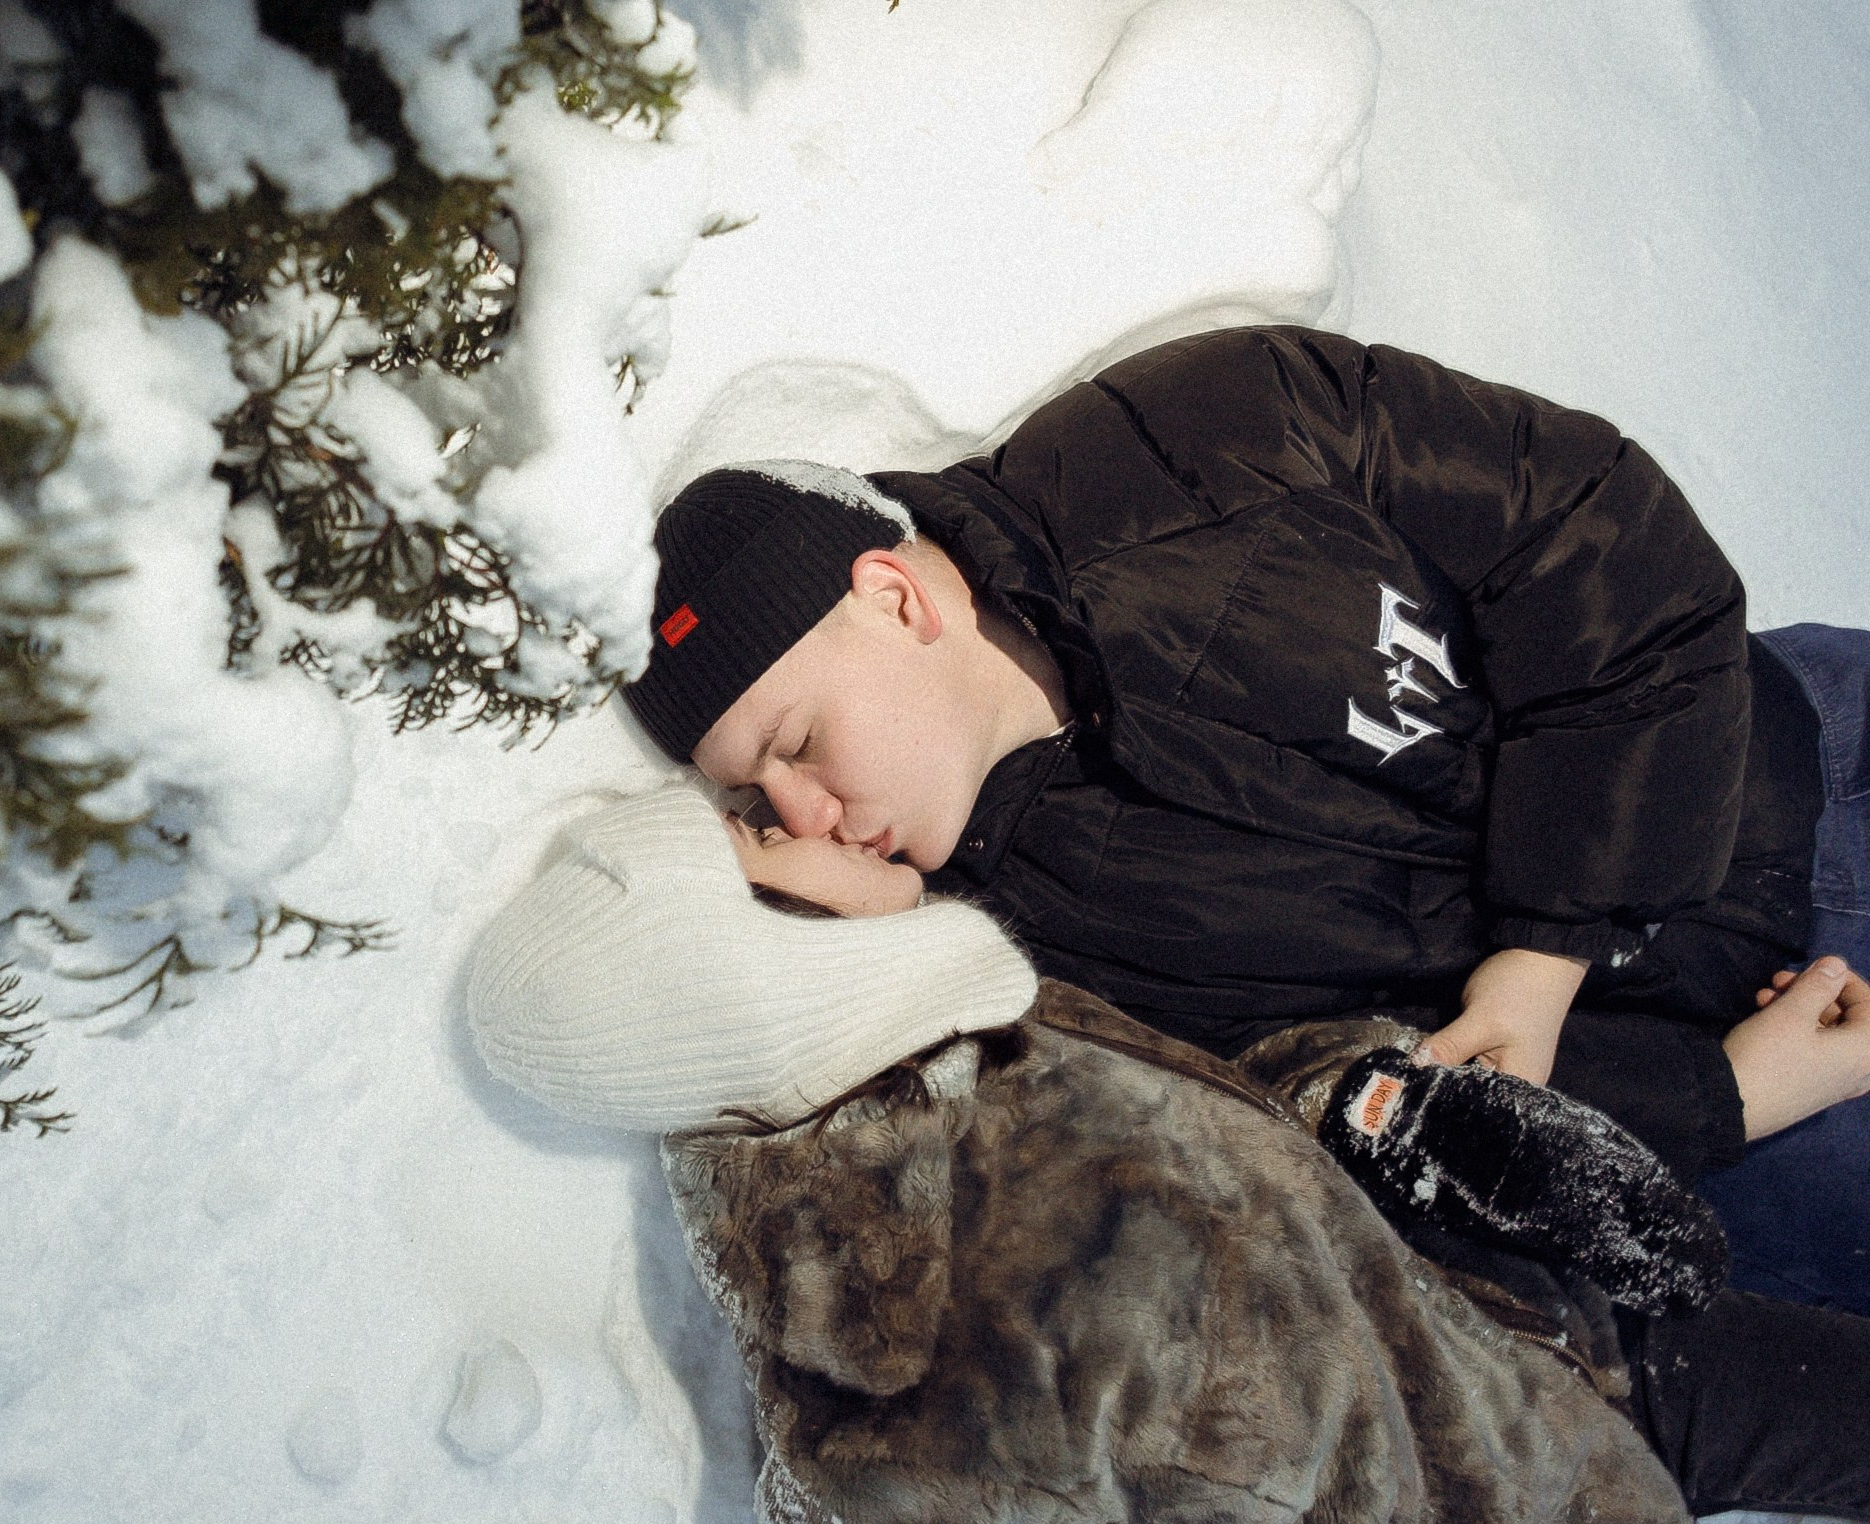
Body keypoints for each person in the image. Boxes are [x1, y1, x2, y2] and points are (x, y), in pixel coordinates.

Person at [618, 325, 1870, 1313]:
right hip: (1738, 1100)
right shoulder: (1022, 959)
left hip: (1799, 758)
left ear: (893, 599)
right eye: (756, 798)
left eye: (796, 745)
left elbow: (1594, 532)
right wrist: (1718, 1099)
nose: (806, 813)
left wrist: (1548, 953)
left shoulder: (1196, 437)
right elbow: (1329, 1137)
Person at [463, 785, 1870, 1524]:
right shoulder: (897, 1375)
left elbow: (1227, 1106)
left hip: (1542, 1342)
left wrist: (1395, 1111)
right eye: (770, 832)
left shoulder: (963, 1016)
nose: (823, 808)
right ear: (745, 964)